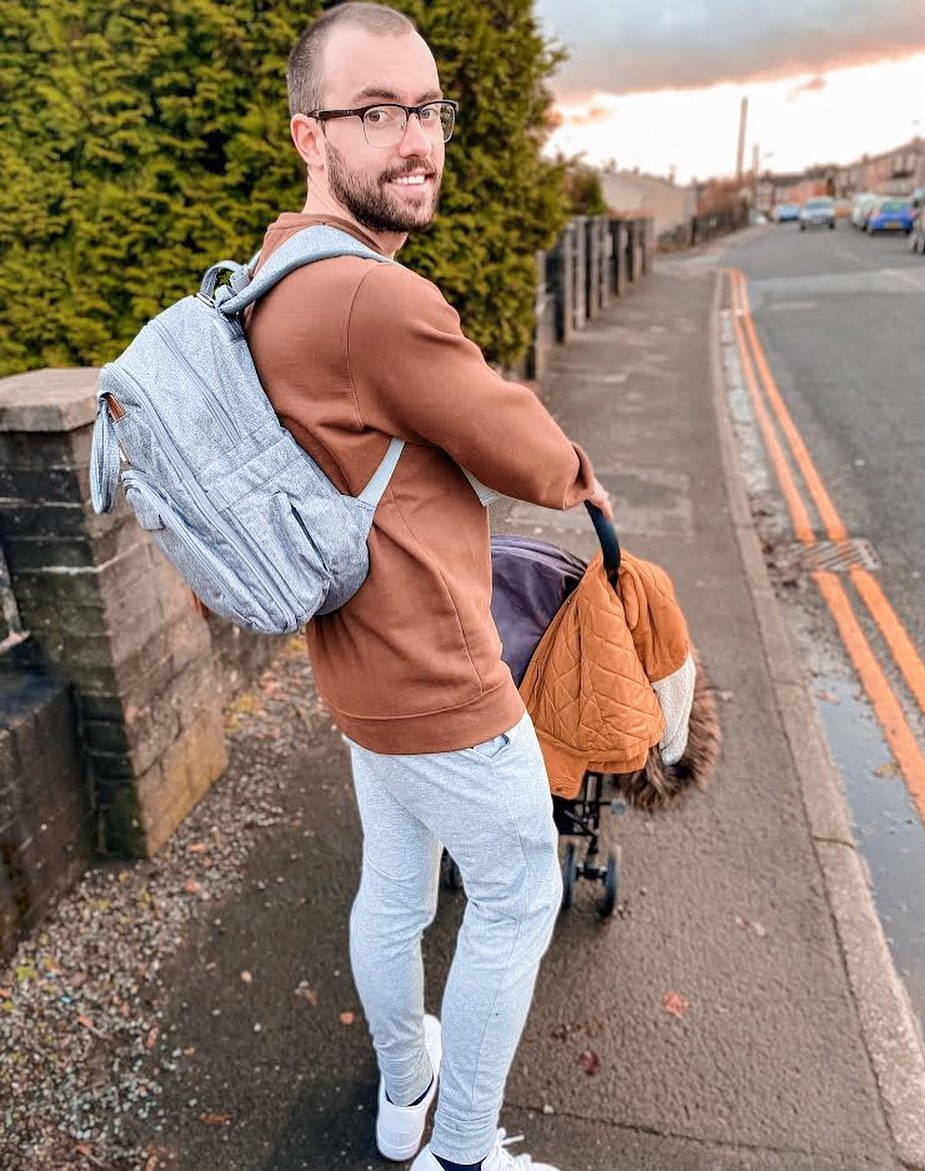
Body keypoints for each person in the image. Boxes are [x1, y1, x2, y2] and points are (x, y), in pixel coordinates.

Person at [244, 5, 611, 1168]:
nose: (417, 139)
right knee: (517, 895)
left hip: (359, 678)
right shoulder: (370, 295)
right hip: (442, 681)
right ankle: (461, 1153)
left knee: (396, 895)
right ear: (311, 135)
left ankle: (407, 1094)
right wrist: (586, 480)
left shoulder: (270, 271)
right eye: (376, 111)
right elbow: (528, 449)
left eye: (428, 107)